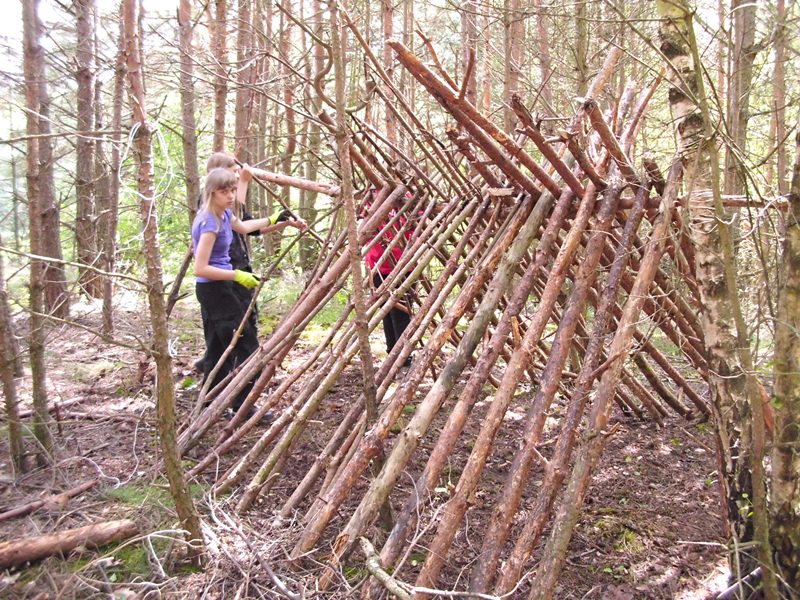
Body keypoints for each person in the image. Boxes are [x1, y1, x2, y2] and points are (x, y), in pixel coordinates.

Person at [192, 167, 305, 415]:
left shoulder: (223, 214)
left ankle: (210, 399)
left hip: (220, 287)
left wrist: (274, 219)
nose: (231, 196)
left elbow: (243, 227)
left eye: (233, 190)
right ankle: (242, 405)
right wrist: (237, 275)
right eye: (224, 191)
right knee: (246, 346)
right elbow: (200, 268)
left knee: (217, 347)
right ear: (211, 192)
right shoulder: (209, 222)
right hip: (214, 290)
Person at [364, 196, 414, 364]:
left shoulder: (406, 199)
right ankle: (398, 354)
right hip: (380, 265)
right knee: (390, 311)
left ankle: (398, 354)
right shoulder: (372, 200)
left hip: (402, 264)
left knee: (397, 311)